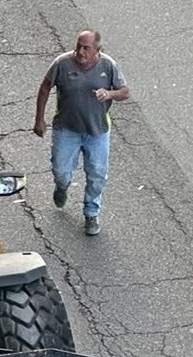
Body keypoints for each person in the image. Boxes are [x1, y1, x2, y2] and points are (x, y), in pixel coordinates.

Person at [33, 30, 129, 236]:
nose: (80, 51)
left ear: (97, 50)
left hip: (97, 132)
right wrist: (39, 119)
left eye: (86, 48)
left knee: (97, 175)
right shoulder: (62, 63)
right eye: (78, 46)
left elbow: (124, 92)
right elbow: (45, 87)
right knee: (60, 170)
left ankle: (91, 213)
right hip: (66, 130)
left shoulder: (108, 65)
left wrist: (109, 93)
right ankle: (62, 186)